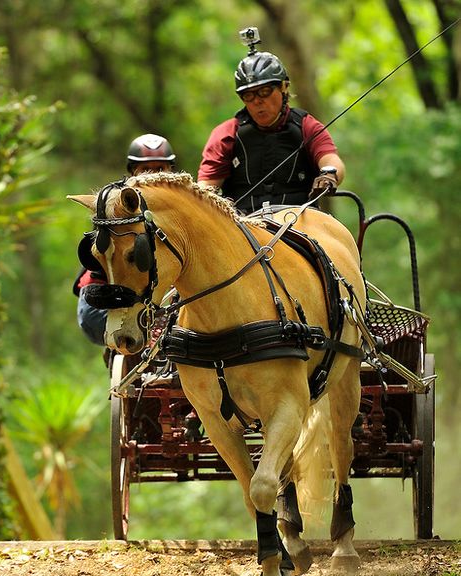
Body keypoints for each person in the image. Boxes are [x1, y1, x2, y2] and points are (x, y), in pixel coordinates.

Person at [197, 27, 345, 214]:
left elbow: (332, 161)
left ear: (284, 87)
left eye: (265, 92)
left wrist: (329, 175)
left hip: (301, 221)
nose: (257, 101)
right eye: (248, 95)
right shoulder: (226, 133)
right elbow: (205, 187)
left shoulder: (307, 125)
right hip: (242, 227)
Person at [73, 133, 176, 345]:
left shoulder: (182, 205)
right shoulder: (114, 205)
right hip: (113, 291)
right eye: (145, 169)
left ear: (170, 171)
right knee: (89, 318)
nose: (152, 176)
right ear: (132, 171)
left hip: (167, 299)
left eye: (160, 169)